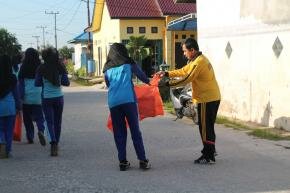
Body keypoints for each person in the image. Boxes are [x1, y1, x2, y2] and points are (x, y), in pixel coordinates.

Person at [157, 38, 221, 164]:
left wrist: (168, 84)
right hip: (211, 97)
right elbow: (183, 71)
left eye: (185, 51)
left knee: (204, 128)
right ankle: (210, 151)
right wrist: (166, 73)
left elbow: (186, 78)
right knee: (207, 126)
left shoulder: (199, 63)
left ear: (192, 50)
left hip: (207, 99)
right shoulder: (196, 60)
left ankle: (208, 155)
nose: (184, 53)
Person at [103, 43, 151, 171]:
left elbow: (108, 84)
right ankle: (142, 160)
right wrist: (151, 82)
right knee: (135, 131)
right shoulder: (129, 63)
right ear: (123, 51)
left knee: (119, 132)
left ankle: (123, 162)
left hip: (113, 102)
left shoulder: (107, 68)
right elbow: (142, 76)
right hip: (128, 101)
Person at [35, 47, 70, 156]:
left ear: (44, 56)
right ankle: (56, 143)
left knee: (49, 121)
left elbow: (37, 83)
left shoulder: (41, 68)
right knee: (57, 122)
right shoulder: (61, 66)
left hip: (46, 98)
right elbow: (66, 82)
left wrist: (46, 80)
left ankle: (53, 142)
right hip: (59, 98)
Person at [18, 48, 46, 145]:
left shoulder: (23, 67)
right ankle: (41, 130)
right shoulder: (40, 66)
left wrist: (20, 98)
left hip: (26, 97)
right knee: (39, 116)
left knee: (27, 118)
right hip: (38, 95)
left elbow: (20, 84)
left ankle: (30, 137)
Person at [0, 55, 21, 158]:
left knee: (0, 129)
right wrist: (19, 107)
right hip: (10, 107)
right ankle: (7, 150)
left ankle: (1, 142)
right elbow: (16, 94)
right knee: (9, 129)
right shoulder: (12, 77)